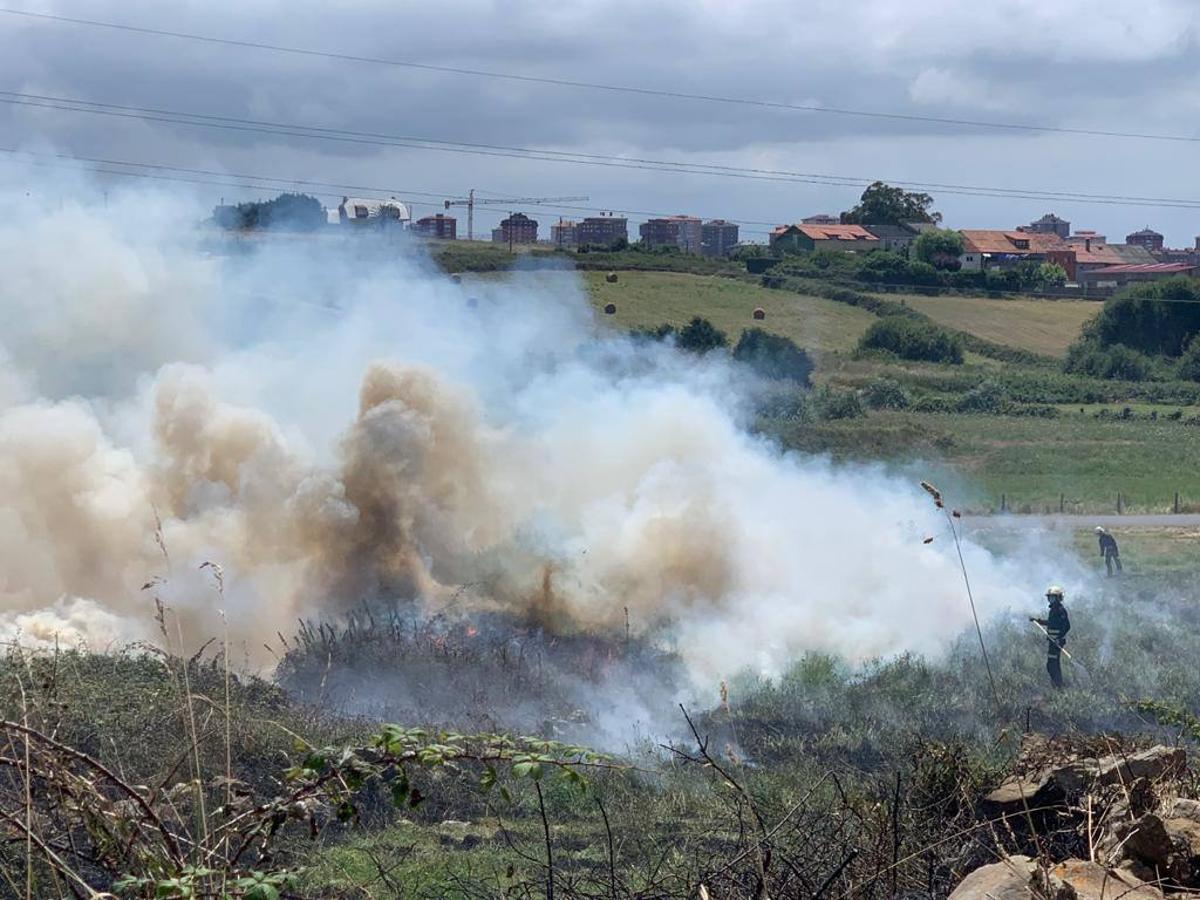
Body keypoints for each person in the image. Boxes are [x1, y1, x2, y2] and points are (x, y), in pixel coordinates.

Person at [1031, 586, 1071, 689]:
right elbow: (1051, 623)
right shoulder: (1053, 610)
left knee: (1052, 665)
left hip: (1056, 642)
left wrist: (1058, 638)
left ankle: (1058, 686)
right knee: (1052, 665)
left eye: (1052, 597)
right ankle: (1057, 685)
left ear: (1058, 598)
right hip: (1053, 642)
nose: (1050, 599)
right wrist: (1038, 621)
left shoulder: (1060, 610)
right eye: (1049, 597)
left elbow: (1067, 626)